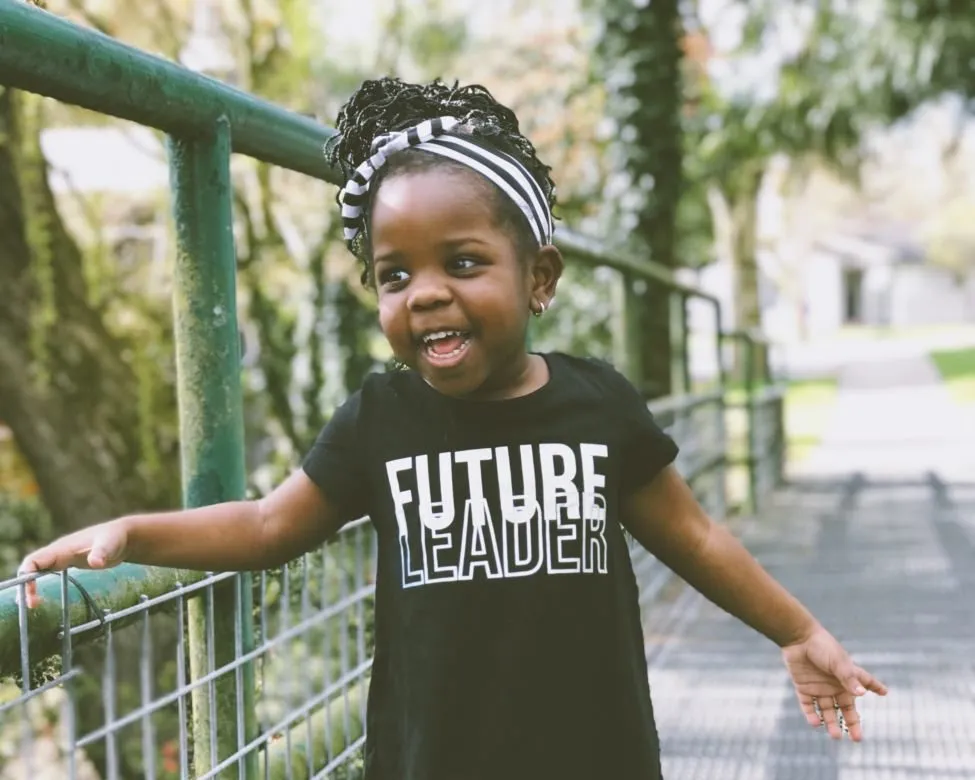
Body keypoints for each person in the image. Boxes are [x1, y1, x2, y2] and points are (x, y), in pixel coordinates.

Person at [18, 77, 886, 780]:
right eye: (395, 275)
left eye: (463, 263)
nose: (426, 293)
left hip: (596, 756)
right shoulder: (380, 418)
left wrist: (796, 631)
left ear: (539, 277)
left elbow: (694, 536)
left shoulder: (598, 406)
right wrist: (133, 533)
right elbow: (267, 525)